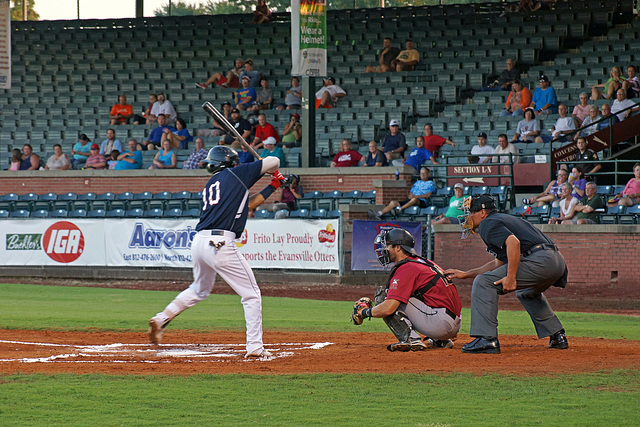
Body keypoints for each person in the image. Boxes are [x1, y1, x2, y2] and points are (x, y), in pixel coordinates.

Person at [148, 146, 281, 359]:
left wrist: (273, 185)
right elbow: (274, 160)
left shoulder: (213, 182)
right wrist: (270, 170)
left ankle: (162, 318)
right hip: (220, 242)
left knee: (199, 290)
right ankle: (255, 347)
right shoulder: (237, 173)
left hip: (200, 241)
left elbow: (247, 205)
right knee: (252, 294)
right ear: (230, 162)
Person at [444, 194, 568, 354]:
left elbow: (513, 243)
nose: (467, 217)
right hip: (556, 261)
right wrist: (466, 274)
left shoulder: (486, 223)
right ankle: (557, 335)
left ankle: (486, 339)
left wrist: (511, 277)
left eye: (470, 212)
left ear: (482, 212)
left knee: (483, 283)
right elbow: (498, 263)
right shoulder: (502, 219)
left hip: (539, 259)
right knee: (527, 293)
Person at [353, 228, 461, 351]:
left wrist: (364, 312)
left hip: (440, 323)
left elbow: (388, 308)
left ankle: (411, 340)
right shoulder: (423, 262)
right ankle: (441, 340)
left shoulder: (407, 267)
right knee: (408, 294)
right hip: (452, 321)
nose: (384, 250)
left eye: (388, 245)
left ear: (398, 248)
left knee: (385, 297)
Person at [368, 167, 435, 219]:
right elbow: (410, 193)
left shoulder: (430, 183)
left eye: (424, 173)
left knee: (414, 200)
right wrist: (410, 195)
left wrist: (415, 197)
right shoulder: (417, 182)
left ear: (428, 174)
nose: (422, 175)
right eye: (421, 173)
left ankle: (399, 210)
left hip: (422, 202)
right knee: (393, 202)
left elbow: (429, 194)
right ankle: (379, 214)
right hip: (411, 200)